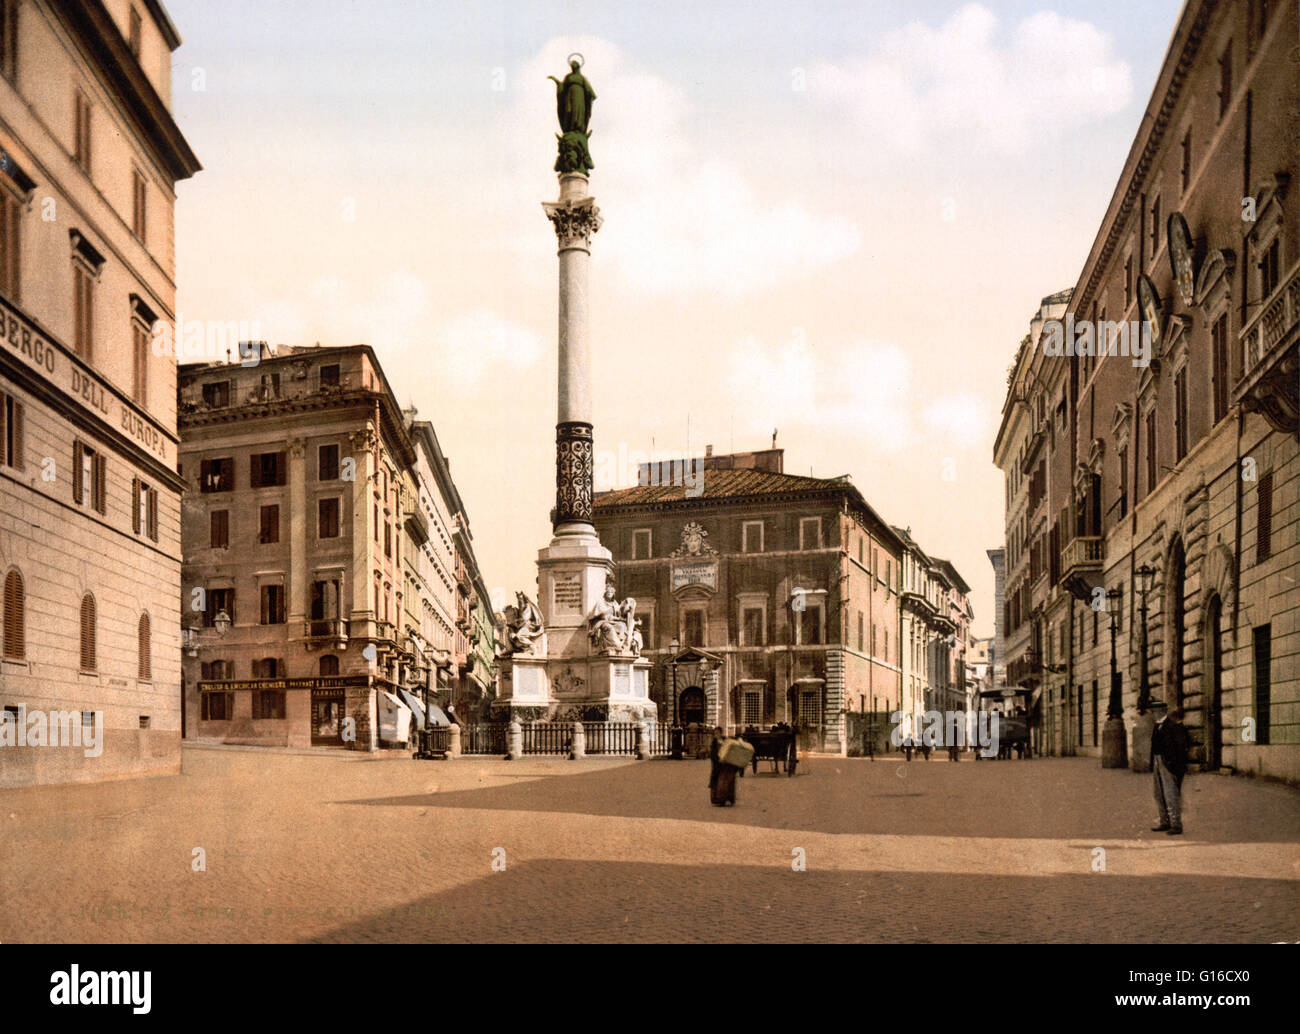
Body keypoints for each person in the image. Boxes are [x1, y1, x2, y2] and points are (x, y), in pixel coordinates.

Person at [1151, 706, 1191, 835]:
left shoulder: (1172, 725)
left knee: (1170, 794)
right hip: (1158, 762)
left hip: (1168, 763)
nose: (1152, 713)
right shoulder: (1158, 725)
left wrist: (1171, 763)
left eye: (1154, 711)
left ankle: (1176, 825)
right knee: (1159, 793)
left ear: (1160, 711)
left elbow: (1181, 747)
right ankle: (1165, 821)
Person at [709, 726, 739, 806]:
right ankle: (719, 799)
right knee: (719, 782)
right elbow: (713, 754)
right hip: (718, 764)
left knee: (727, 782)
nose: (716, 735)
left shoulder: (726, 741)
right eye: (715, 733)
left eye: (718, 733)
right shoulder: (714, 743)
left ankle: (729, 798)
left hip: (726, 764)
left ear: (721, 733)